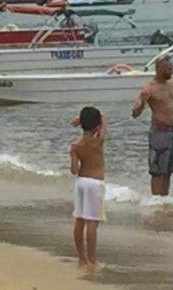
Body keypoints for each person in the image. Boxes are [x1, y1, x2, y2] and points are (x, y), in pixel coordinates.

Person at [131, 56, 173, 196]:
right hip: (159, 132)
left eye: (171, 68)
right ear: (158, 69)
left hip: (172, 131)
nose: (171, 72)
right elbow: (134, 114)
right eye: (168, 69)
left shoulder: (172, 82)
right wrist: (142, 103)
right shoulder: (149, 88)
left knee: (168, 170)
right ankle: (155, 200)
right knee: (157, 171)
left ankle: (164, 199)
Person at [69, 106, 107, 267]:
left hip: (81, 182)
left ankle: (81, 258)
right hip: (95, 183)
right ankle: (92, 258)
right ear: (97, 125)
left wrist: (72, 155)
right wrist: (80, 121)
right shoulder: (98, 141)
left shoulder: (76, 146)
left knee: (79, 219)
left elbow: (74, 170)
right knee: (92, 222)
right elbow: (104, 118)